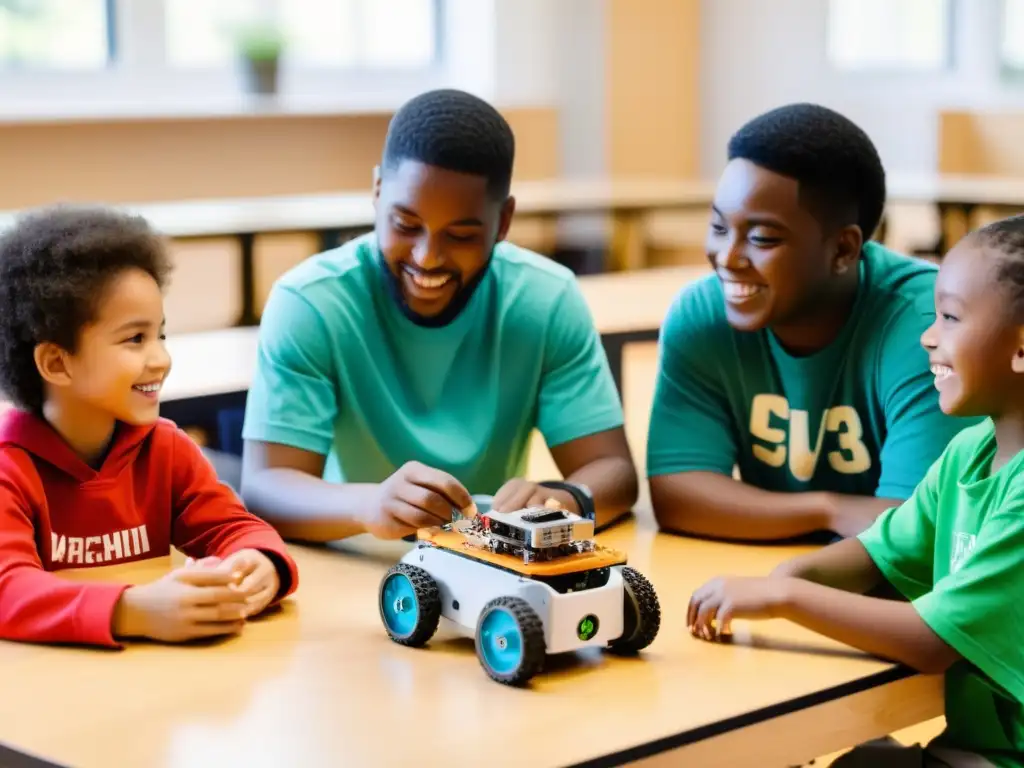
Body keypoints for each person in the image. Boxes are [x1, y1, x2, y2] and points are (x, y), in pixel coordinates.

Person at [688, 215, 1024, 766]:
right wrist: (791, 576)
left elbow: (929, 641)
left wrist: (784, 598)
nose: (929, 335)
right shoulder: (970, 452)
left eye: (951, 317)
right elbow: (877, 553)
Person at [239, 88, 636, 541]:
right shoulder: (311, 303)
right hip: (354, 559)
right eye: (406, 225)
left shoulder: (546, 300)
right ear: (376, 192)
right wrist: (367, 504)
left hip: (492, 571)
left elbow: (614, 472)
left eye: (462, 235)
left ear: (503, 222)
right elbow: (267, 486)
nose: (427, 258)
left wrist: (561, 500)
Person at [647, 103, 979, 543]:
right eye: (719, 227)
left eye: (762, 238)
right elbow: (678, 494)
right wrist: (828, 510)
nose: (727, 258)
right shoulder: (701, 317)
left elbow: (914, 533)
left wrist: (759, 517)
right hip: (777, 576)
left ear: (843, 250)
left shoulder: (928, 326)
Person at [0, 205, 299, 649]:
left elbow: (232, 527)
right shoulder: (11, 470)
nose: (162, 358)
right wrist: (135, 610)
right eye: (134, 339)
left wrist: (258, 564)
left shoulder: (166, 449)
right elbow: (9, 591)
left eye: (160, 334)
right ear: (56, 362)